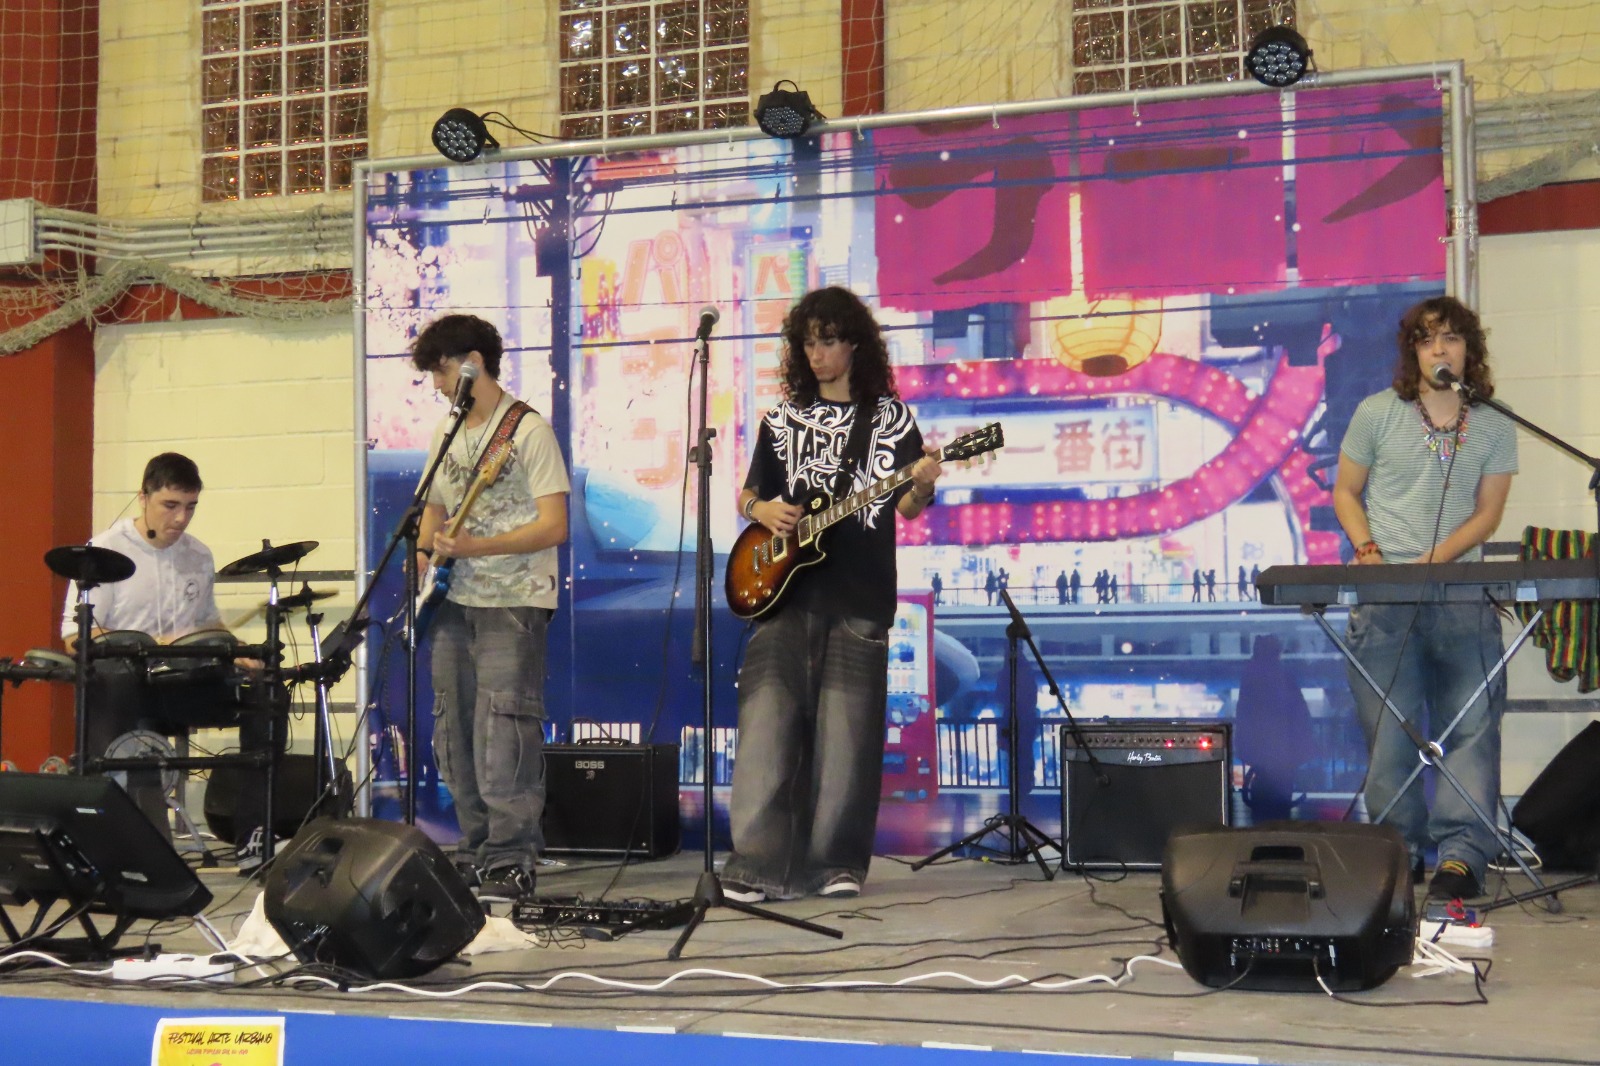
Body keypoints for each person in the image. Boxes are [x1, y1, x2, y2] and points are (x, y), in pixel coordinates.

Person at [724, 286, 942, 902]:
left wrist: (924, 483)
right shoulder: (782, 419)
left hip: (859, 596)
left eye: (827, 341)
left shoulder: (891, 419)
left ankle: (835, 865)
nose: (816, 354)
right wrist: (763, 510)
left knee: (848, 740)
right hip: (782, 596)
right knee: (765, 731)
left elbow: (907, 506)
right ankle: (755, 864)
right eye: (807, 343)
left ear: (855, 344)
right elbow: (747, 495)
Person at [1332, 295, 1517, 901]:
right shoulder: (1376, 413)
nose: (1441, 349)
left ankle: (1462, 856)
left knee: (1473, 730)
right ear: (1413, 351)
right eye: (1428, 338)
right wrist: (1369, 552)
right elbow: (1346, 491)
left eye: (1452, 338)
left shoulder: (1494, 422)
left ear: (1469, 351)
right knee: (1390, 736)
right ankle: (1398, 851)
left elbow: (1488, 514)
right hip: (1385, 601)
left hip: (1461, 597)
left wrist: (1433, 561)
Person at [411, 313, 571, 904]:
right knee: (454, 728)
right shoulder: (446, 431)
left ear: (473, 364)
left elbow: (554, 525)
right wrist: (424, 553)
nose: (436, 384)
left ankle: (511, 856)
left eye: (442, 370)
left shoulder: (528, 431)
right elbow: (434, 504)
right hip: (454, 597)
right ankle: (476, 848)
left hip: (514, 599)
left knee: (504, 728)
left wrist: (477, 547)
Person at [60, 452, 276, 869]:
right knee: (110, 682)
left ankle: (253, 836)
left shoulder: (198, 555)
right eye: (170, 505)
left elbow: (208, 622)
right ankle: (117, 844)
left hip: (183, 685)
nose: (181, 518)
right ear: (143, 497)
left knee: (265, 693)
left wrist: (235, 648)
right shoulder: (104, 552)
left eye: (190, 507)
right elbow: (75, 637)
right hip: (129, 685)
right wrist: (155, 643)